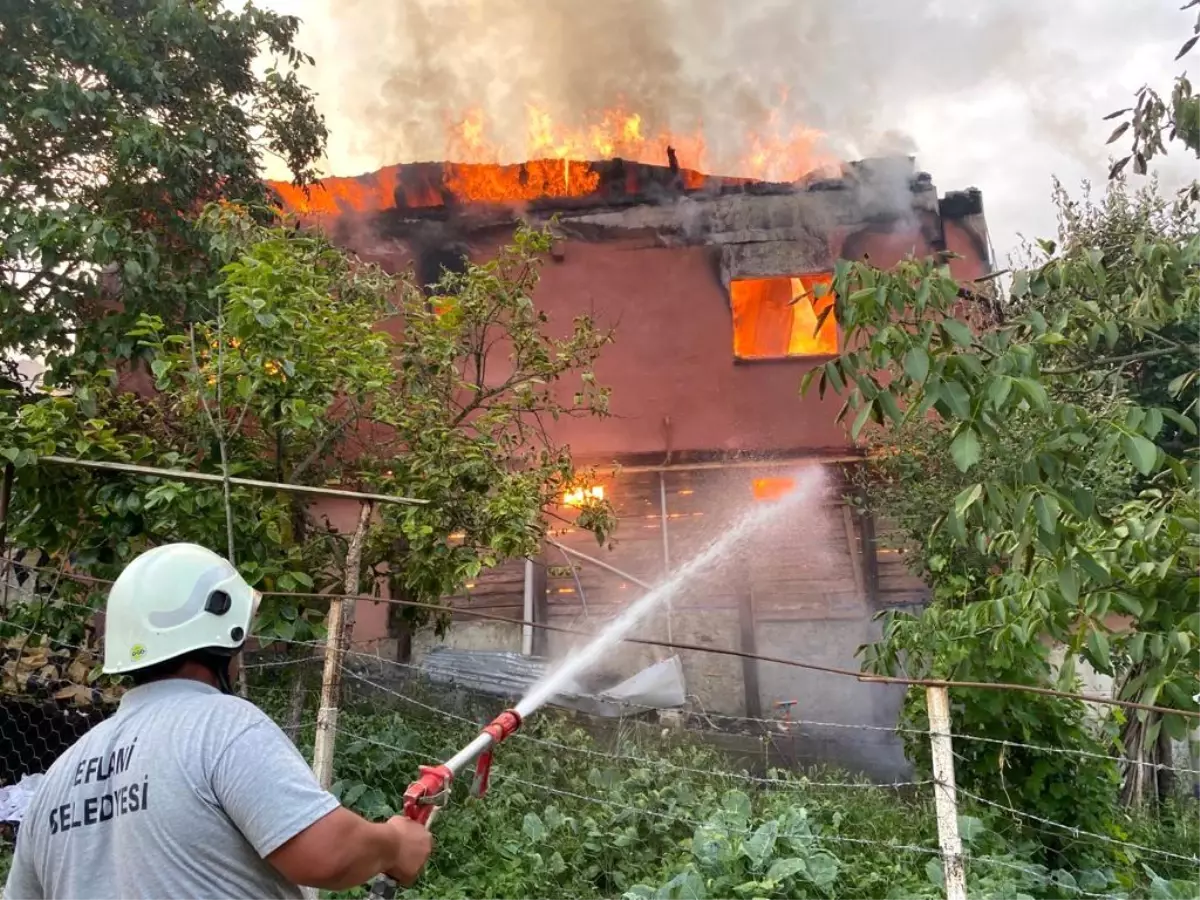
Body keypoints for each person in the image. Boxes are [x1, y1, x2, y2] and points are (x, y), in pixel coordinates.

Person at [3, 542, 432, 899]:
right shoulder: (219, 725)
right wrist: (395, 843)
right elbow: (329, 854)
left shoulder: (59, 777)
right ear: (224, 637)